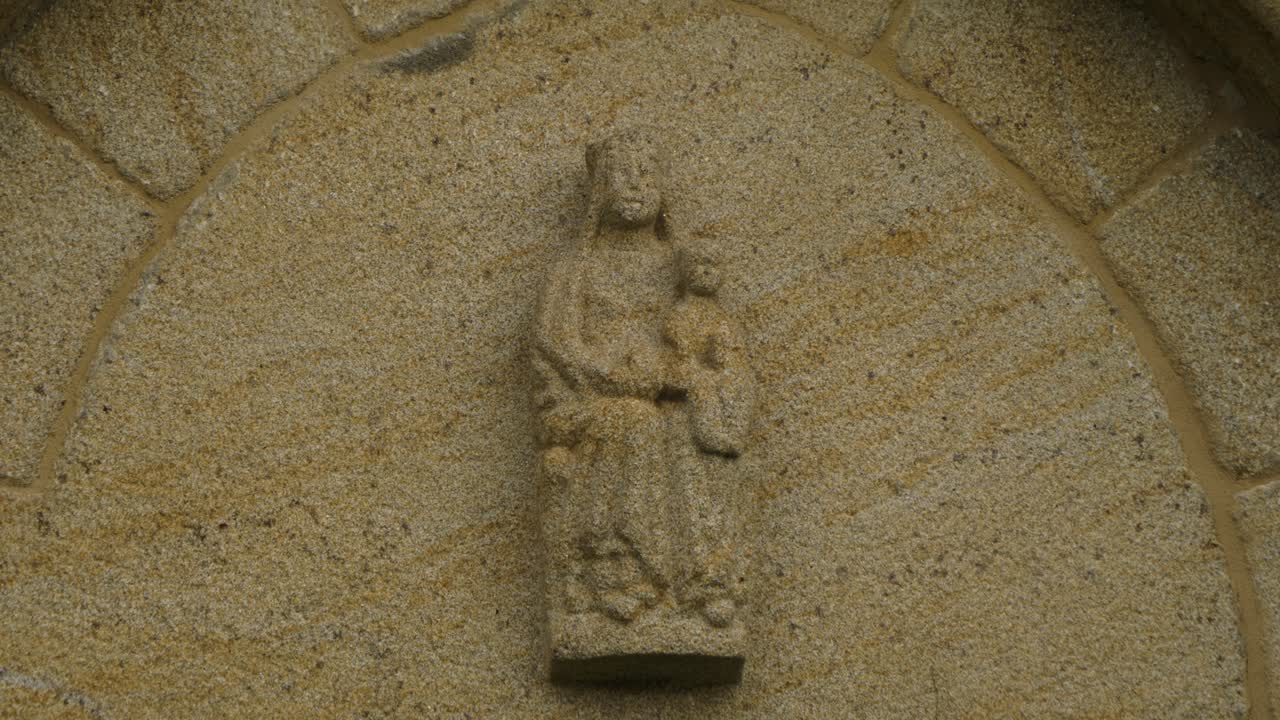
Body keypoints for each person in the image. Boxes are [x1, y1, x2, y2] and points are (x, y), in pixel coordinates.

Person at [663, 240, 755, 627]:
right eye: (696, 263)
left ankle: (722, 582)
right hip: (685, 429)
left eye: (712, 262)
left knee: (722, 506)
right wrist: (698, 382)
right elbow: (674, 370)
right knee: (690, 503)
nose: (704, 270)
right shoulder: (676, 318)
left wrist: (720, 386)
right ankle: (699, 584)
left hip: (719, 424)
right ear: (682, 272)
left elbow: (735, 370)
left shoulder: (723, 322)